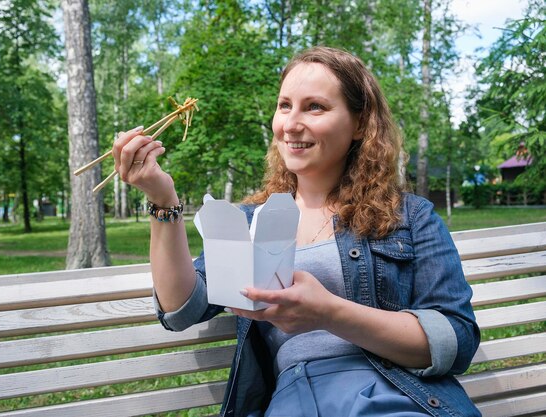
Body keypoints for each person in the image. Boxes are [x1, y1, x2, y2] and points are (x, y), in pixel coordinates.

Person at [112, 46, 481, 417]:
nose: (290, 123)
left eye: (315, 107)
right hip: (295, 399)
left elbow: (455, 340)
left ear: (359, 124)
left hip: (394, 395)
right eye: (284, 105)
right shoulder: (248, 222)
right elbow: (180, 309)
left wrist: (330, 313)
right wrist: (163, 199)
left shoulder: (410, 216)